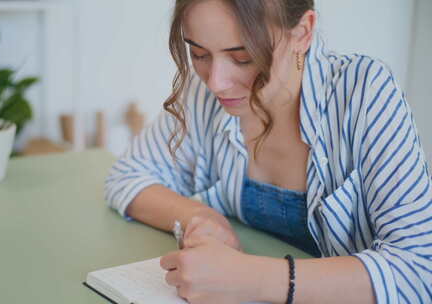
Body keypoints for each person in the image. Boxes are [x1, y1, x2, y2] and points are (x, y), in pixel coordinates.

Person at [104, 0, 432, 303]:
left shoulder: (363, 91)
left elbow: (419, 271)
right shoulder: (205, 94)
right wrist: (200, 217)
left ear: (302, 33)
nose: (216, 82)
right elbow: (128, 176)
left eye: (243, 57)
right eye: (199, 54)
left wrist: (248, 277)